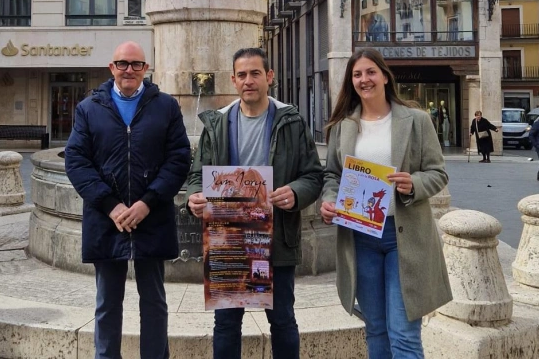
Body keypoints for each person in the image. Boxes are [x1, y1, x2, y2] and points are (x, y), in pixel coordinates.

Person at [185, 47, 323, 359]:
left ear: (269, 77)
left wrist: (296, 192)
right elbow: (197, 175)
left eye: (256, 73)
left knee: (283, 320)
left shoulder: (291, 121)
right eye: (243, 75)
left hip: (275, 238)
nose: (249, 81)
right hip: (229, 238)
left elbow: (314, 175)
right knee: (226, 323)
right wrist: (194, 196)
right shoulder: (217, 125)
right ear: (233, 80)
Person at [319, 49, 451, 358]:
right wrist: (328, 200)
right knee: (375, 328)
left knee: (403, 333)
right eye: (357, 75)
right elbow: (331, 175)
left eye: (370, 72)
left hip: (403, 237)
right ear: (351, 82)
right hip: (361, 237)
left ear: (384, 76)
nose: (364, 79)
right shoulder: (343, 126)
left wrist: (413, 183)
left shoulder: (415, 120)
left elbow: (438, 172)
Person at [65, 41, 190, 359]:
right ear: (112, 68)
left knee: (154, 301)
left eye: (136, 65)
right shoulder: (89, 109)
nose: (129, 70)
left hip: (152, 216)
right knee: (107, 302)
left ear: (146, 69)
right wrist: (112, 205)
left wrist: (148, 201)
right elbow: (77, 160)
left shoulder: (166, 106)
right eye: (122, 64)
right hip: (107, 220)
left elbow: (178, 159)